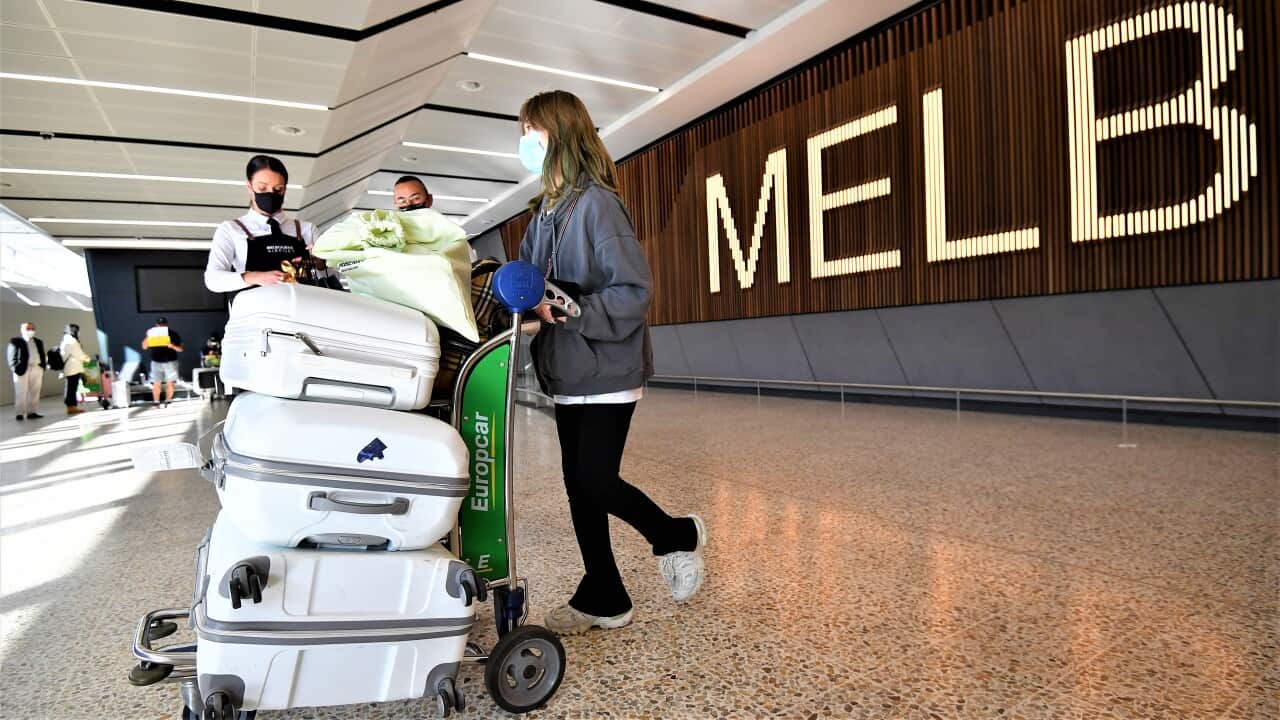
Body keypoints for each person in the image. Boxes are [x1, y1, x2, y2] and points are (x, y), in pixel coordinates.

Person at [517, 90, 707, 636]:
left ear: (558, 136)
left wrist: (568, 309)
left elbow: (633, 292)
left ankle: (675, 534)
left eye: (530, 133)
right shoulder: (545, 213)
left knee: (593, 479)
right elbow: (532, 283)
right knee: (579, 484)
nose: (523, 145)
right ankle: (605, 592)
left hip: (606, 368)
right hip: (567, 369)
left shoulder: (597, 204)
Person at [204, 155, 334, 297]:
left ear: (285, 189)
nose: (270, 194)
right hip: (257, 314)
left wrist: (321, 263)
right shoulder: (231, 229)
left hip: (303, 311)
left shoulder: (306, 229)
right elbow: (213, 279)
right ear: (249, 187)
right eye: (262, 188)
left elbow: (334, 276)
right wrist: (254, 277)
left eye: (278, 189)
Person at [394, 174, 477, 262]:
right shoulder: (391, 239)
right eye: (402, 201)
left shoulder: (450, 234)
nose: (409, 204)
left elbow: (472, 268)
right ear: (396, 205)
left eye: (416, 198)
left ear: (429, 200)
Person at [7, 322, 46, 421]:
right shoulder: (16, 341)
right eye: (28, 328)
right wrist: (15, 368)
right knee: (21, 391)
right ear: (22, 330)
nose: (31, 330)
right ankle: (20, 413)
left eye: (33, 328)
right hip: (22, 369)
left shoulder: (38, 341)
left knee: (35, 391)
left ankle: (32, 412)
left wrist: (43, 366)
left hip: (37, 367)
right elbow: (11, 357)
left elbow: (41, 353)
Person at [143, 318, 183, 408]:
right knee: (156, 383)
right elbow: (144, 346)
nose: (161, 326)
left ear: (167, 324)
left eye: (163, 324)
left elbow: (180, 349)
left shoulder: (173, 334)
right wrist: (148, 336)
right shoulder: (152, 334)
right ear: (156, 325)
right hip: (156, 362)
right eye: (159, 324)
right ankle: (156, 402)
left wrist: (172, 346)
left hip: (170, 362)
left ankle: (168, 401)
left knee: (170, 383)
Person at [58, 323, 92, 416]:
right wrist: (87, 359)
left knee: (71, 387)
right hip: (73, 368)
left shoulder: (66, 340)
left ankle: (72, 406)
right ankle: (71, 407)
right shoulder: (71, 341)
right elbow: (79, 354)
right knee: (72, 388)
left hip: (70, 367)